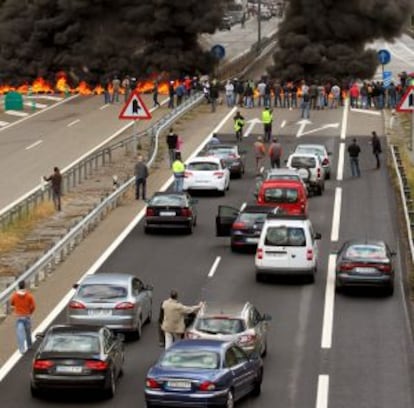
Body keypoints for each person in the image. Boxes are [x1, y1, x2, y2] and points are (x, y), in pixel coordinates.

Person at [10, 280, 36, 354]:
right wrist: (30, 313)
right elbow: (33, 306)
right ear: (25, 286)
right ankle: (29, 345)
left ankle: (22, 350)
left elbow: (12, 305)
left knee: (20, 333)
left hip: (19, 317)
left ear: (19, 286)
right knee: (28, 332)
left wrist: (16, 310)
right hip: (27, 316)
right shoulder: (29, 296)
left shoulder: (15, 295)